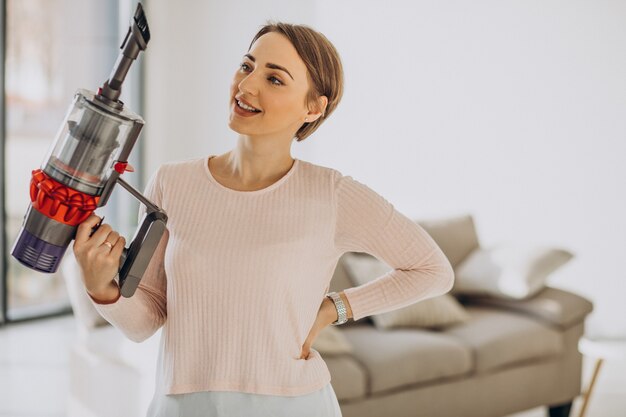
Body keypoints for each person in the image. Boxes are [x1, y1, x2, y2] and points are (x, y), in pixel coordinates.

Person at [72, 21, 455, 417]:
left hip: (293, 405)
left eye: (274, 79)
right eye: (246, 66)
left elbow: (432, 270)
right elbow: (145, 321)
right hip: (182, 405)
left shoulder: (331, 194)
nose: (247, 85)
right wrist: (102, 288)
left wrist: (332, 309)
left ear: (313, 107)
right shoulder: (173, 182)